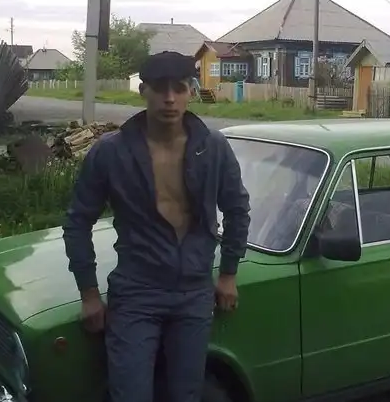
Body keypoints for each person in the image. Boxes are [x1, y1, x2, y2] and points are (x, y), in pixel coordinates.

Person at [62, 51, 251, 402]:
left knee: (186, 394)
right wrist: (89, 294)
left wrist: (228, 274)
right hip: (137, 292)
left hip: (194, 292)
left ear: (191, 91)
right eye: (160, 88)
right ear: (143, 91)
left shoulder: (213, 147)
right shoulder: (110, 152)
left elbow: (237, 209)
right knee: (130, 393)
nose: (169, 98)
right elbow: (77, 221)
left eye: (178, 88)